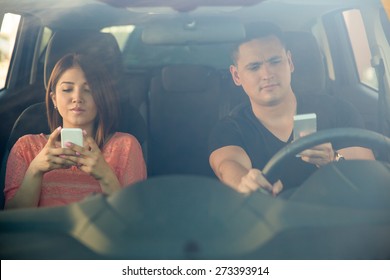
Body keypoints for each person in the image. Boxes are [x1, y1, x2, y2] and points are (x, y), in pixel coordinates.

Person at [209, 22, 374, 195]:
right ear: (236, 75)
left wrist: (334, 159)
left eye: (275, 61)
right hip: (270, 220)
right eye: (254, 67)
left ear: (290, 62)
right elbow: (227, 166)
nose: (267, 74)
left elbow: (369, 175)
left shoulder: (338, 110)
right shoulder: (230, 128)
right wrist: (246, 184)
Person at [4, 53, 146, 209]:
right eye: (67, 89)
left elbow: (136, 220)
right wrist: (35, 171)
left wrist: (106, 176)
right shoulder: (26, 147)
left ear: (101, 98)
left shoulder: (125, 146)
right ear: (54, 99)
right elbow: (12, 220)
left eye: (88, 90)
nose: (77, 97)